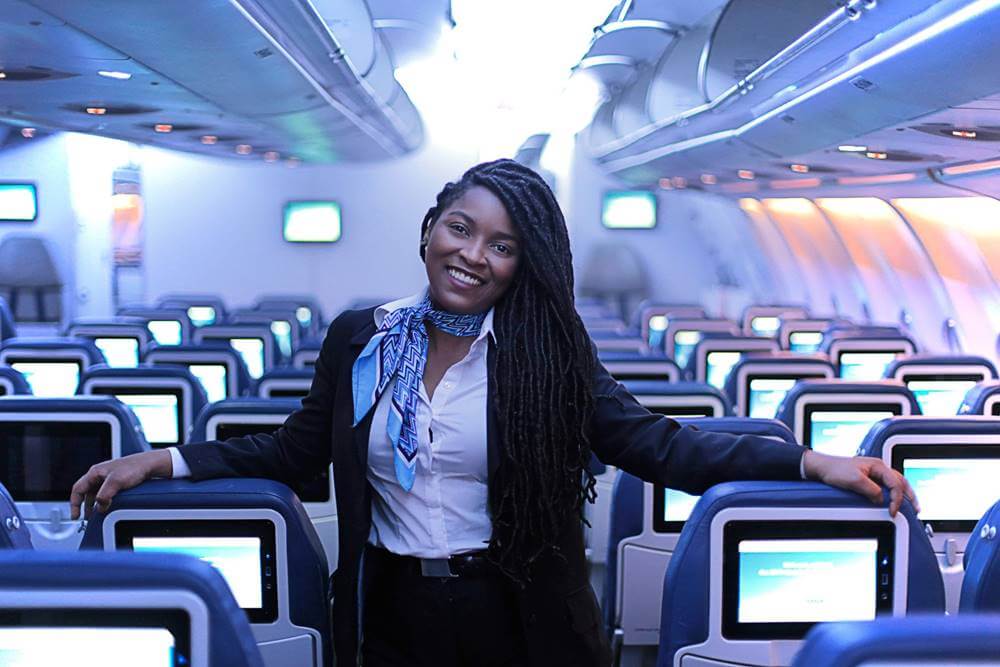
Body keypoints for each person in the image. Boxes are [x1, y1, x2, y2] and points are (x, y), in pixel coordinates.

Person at [70, 159, 917, 667]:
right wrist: (165, 460)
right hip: (391, 608)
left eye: (501, 244)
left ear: (523, 263)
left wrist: (813, 461)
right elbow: (296, 452)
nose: (471, 254)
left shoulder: (547, 357)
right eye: (461, 227)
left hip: (522, 613)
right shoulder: (362, 340)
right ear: (431, 225)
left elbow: (661, 445)